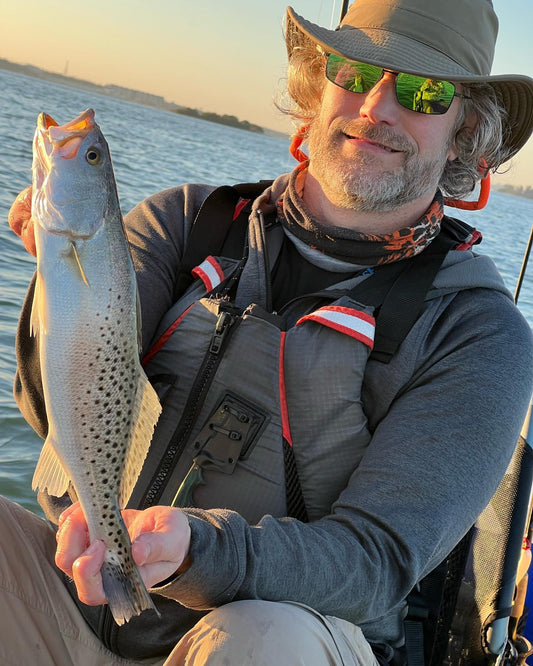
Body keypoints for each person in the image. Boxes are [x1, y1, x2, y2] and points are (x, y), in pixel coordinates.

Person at [4, 0, 533, 664]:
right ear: (319, 87)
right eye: (352, 69)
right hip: (79, 598)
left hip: (284, 640)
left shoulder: (476, 334)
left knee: (262, 640)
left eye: (424, 91)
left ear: (464, 132)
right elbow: (63, 392)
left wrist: (197, 550)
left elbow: (372, 564)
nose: (375, 107)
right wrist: (54, 282)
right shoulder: (184, 221)